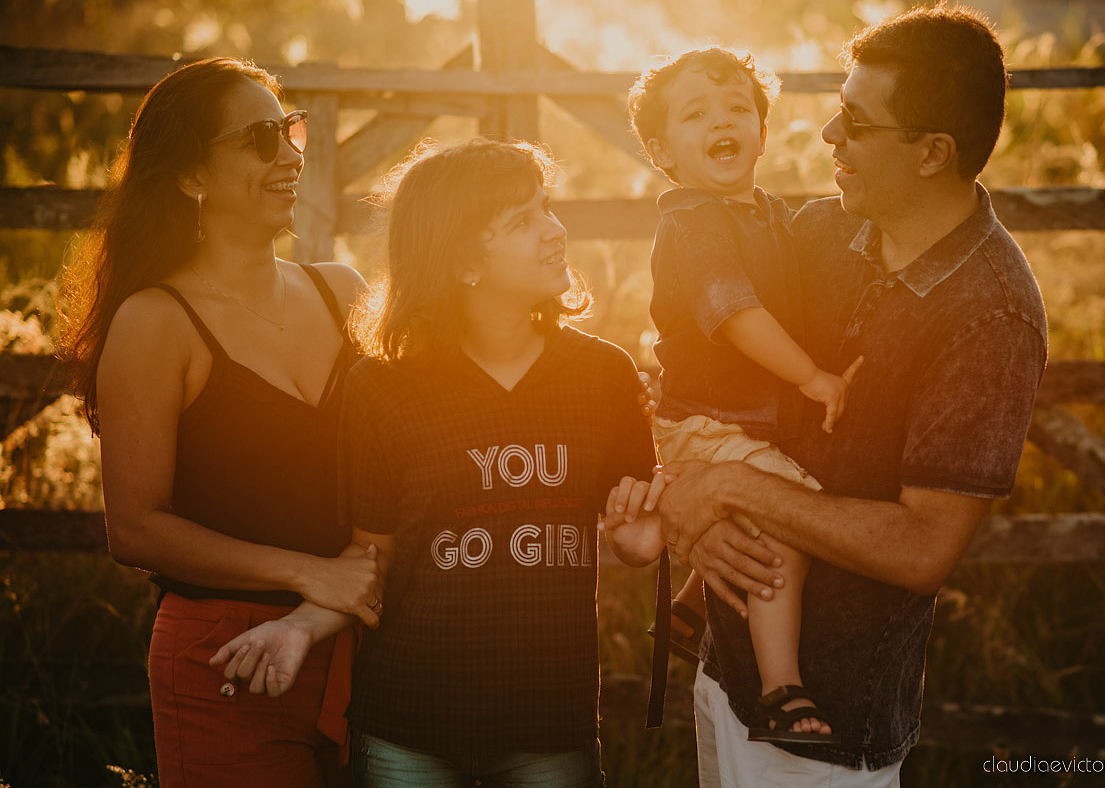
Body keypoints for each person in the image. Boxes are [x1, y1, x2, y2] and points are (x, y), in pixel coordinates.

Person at [627, 3, 1048, 787]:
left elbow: (924, 549)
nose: (829, 137)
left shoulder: (989, 316)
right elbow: (694, 370)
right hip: (722, 669)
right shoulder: (817, 231)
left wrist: (729, 484)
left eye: (855, 122)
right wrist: (696, 507)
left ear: (932, 153)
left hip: (824, 724)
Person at [211, 138, 660, 788]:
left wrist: (636, 535)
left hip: (550, 727)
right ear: (463, 262)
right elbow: (376, 561)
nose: (555, 231)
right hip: (408, 727)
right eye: (523, 221)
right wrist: (301, 626)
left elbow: (641, 537)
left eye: (548, 208)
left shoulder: (603, 375)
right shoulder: (382, 388)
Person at [55, 56, 380, 787]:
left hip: (367, 646)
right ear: (190, 175)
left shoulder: (343, 291)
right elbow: (135, 526)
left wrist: (339, 591)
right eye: (260, 138)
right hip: (224, 659)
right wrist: (308, 573)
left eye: (290, 130)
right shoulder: (156, 322)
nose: (291, 153)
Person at [619, 45, 862, 745]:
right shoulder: (694, 224)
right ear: (664, 152)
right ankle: (782, 685)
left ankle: (692, 607)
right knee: (790, 518)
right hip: (705, 420)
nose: (722, 122)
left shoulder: (765, 213)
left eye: (737, 109)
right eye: (696, 114)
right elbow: (736, 312)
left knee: (798, 483)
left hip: (748, 420)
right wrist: (812, 377)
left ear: (762, 129)